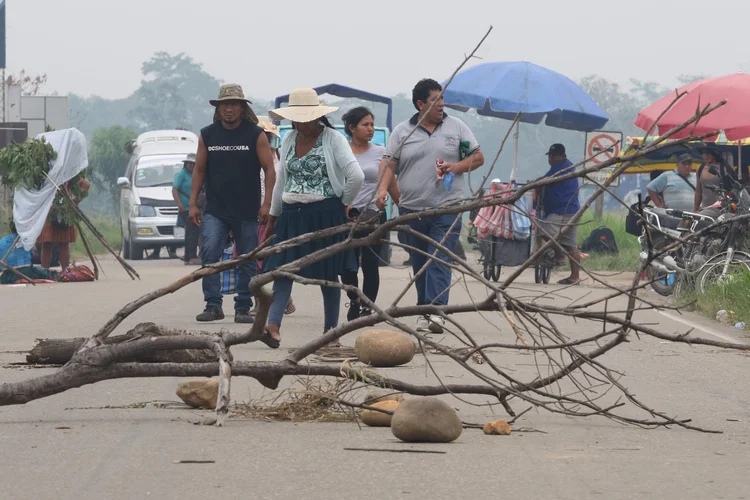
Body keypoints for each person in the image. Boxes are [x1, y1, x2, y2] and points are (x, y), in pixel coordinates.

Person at [376, 78, 484, 333]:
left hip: (446, 207)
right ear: (420, 104)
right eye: (435, 100)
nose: (441, 105)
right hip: (412, 209)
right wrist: (382, 190)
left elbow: (477, 157)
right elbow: (389, 164)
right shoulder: (403, 131)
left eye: (442, 99)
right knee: (420, 260)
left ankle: (437, 311)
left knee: (439, 256)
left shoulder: (456, 128)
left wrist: (455, 167)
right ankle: (423, 310)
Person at [261, 88, 364, 348]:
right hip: (292, 215)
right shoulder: (288, 139)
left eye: (306, 117)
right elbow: (282, 180)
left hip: (326, 214)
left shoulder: (333, 139)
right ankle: (273, 326)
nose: (301, 122)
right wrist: (274, 215)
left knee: (328, 275)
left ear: (317, 117)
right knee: (283, 270)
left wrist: (343, 204)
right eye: (296, 117)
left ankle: (331, 334)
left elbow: (356, 176)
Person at [189, 83, 276, 324]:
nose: (229, 110)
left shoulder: (255, 134)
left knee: (247, 259)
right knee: (210, 253)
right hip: (215, 209)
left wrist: (267, 203)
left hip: (247, 210)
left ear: (242, 108)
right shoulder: (208, 134)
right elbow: (199, 170)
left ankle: (242, 306)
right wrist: (193, 203)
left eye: (234, 105)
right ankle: (213, 305)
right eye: (225, 105)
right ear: (218, 109)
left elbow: (270, 169)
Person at [339, 107, 399, 321]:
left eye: (372, 124)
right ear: (352, 128)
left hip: (374, 216)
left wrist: (403, 206)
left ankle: (367, 306)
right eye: (365, 125)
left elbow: (390, 181)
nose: (370, 129)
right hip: (347, 217)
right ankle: (354, 299)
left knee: (371, 265)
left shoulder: (381, 152)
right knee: (347, 265)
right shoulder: (342, 152)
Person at [253, 117, 295, 317]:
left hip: (277, 214)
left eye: (268, 135)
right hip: (255, 214)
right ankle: (260, 302)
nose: (266, 138)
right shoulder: (251, 158)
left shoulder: (279, 156)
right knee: (255, 260)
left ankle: (283, 298)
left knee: (274, 258)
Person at [536, 143, 581, 285]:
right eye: (550, 156)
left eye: (554, 156)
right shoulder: (566, 166)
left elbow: (546, 179)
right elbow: (546, 177)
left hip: (563, 211)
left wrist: (530, 185)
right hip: (572, 211)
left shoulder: (562, 167)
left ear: (562, 156)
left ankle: (559, 254)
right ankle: (575, 277)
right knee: (571, 245)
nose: (551, 159)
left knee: (543, 230)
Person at [37, 177, 91, 270]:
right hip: (49, 210)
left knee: (63, 243)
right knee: (47, 243)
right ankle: (44, 271)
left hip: (65, 212)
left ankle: (65, 270)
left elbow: (86, 184)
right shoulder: (48, 173)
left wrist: (74, 202)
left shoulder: (70, 174)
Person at [172, 153, 200, 265]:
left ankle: (189, 257)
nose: (191, 165)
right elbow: (174, 190)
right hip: (186, 209)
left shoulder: (195, 175)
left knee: (192, 233)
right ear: (185, 164)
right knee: (192, 233)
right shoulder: (181, 175)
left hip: (195, 208)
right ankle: (191, 257)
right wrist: (180, 206)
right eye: (189, 163)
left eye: (193, 163)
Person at [695, 146, 737, 215]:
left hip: (721, 210)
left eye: (708, 153)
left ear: (714, 153)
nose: (705, 156)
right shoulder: (700, 169)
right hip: (704, 209)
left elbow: (730, 190)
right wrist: (695, 209)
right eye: (703, 153)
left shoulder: (723, 169)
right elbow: (698, 192)